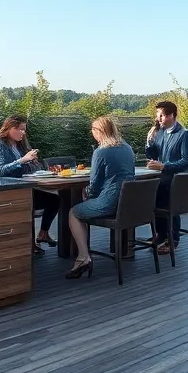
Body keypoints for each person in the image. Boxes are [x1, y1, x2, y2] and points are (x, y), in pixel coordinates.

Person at [65, 115, 137, 279]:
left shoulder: (101, 152)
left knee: (73, 212)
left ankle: (83, 257)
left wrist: (87, 195)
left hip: (110, 203)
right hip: (127, 203)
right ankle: (85, 256)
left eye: (93, 130)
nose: (92, 133)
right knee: (81, 207)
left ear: (99, 131)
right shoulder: (127, 148)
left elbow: (95, 184)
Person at [0, 115, 59, 257]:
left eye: (24, 130)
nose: (23, 133)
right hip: (10, 192)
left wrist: (33, 163)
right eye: (21, 129)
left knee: (55, 200)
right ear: (10, 128)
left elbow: (28, 169)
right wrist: (22, 160)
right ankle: (27, 244)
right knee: (33, 203)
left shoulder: (20, 145)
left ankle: (43, 234)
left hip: (25, 189)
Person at [145, 100, 188, 254]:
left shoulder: (184, 134)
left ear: (172, 115)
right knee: (151, 197)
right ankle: (160, 235)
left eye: (161, 116)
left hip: (175, 182)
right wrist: (149, 142)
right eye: (158, 116)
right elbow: (153, 155)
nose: (158, 119)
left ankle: (173, 239)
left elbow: (186, 162)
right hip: (161, 179)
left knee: (166, 199)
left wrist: (164, 166)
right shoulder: (160, 133)